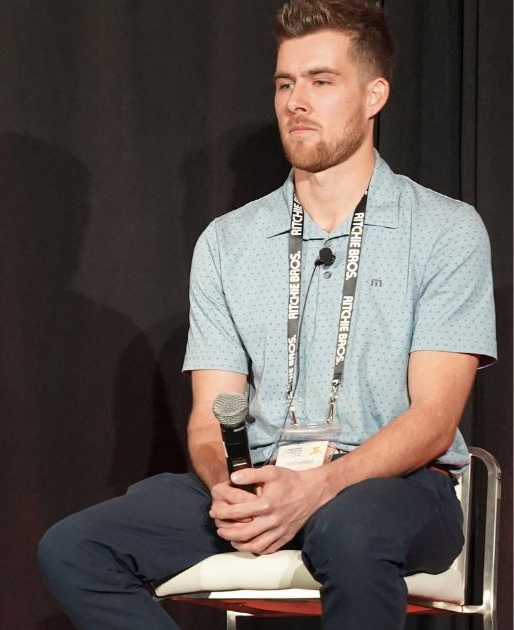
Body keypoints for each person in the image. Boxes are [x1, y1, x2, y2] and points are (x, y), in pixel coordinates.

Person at [37, 1, 496, 628]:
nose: (296, 101)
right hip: (262, 478)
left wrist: (320, 486)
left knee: (349, 531)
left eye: (322, 80)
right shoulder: (228, 242)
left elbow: (434, 421)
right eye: (285, 83)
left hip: (398, 487)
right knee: (74, 548)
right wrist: (228, 484)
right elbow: (209, 416)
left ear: (374, 95)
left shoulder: (444, 230)